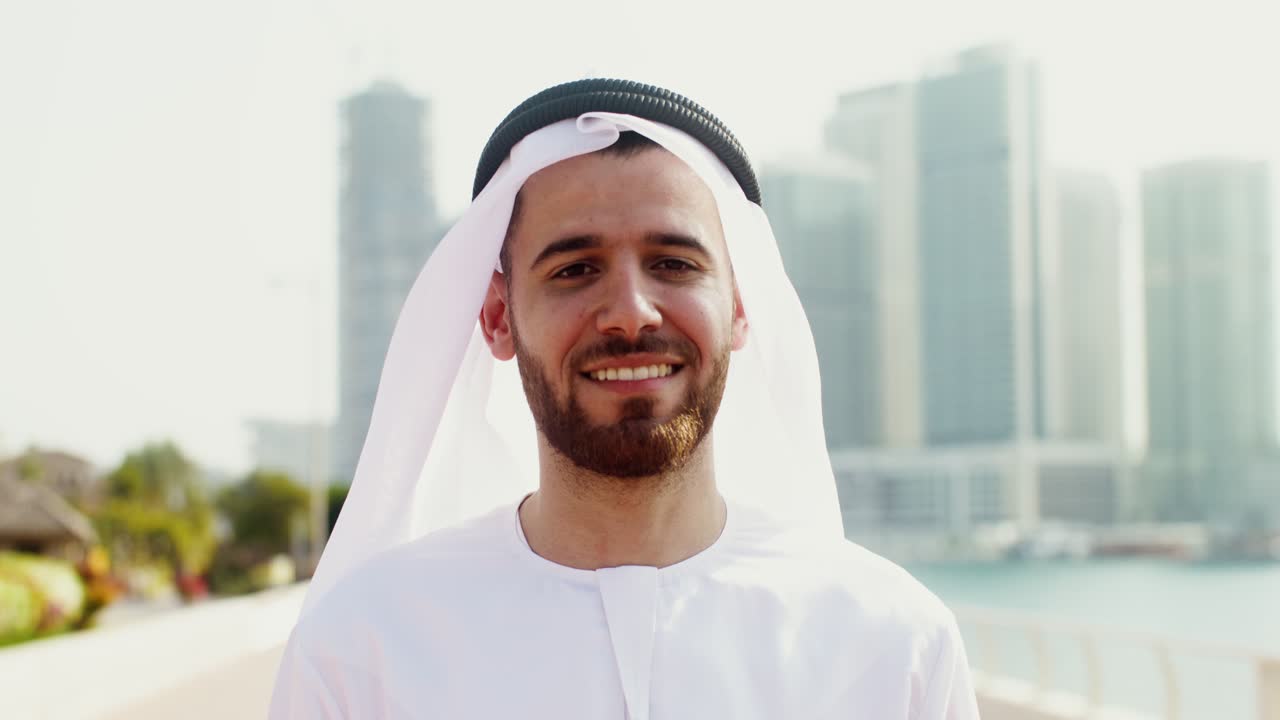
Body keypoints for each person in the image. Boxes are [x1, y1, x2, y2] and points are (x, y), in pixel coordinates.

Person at [269, 79, 979, 719]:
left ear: (739, 307)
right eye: (576, 269)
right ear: (496, 316)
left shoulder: (893, 646)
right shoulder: (363, 654)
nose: (631, 313)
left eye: (674, 263)